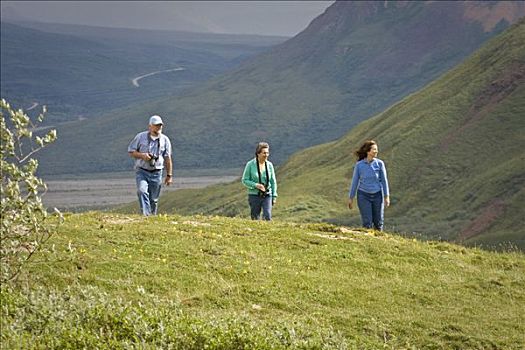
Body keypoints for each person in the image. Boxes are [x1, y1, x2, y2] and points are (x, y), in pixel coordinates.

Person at [128, 115, 173, 216]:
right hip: (142, 170)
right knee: (142, 191)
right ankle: (146, 215)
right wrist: (142, 156)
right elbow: (131, 151)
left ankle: (152, 216)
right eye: (156, 125)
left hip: (157, 172)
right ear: (150, 126)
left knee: (154, 199)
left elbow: (167, 158)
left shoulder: (165, 140)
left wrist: (169, 175)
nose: (158, 128)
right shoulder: (140, 137)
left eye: (160, 126)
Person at [348, 140, 390, 230]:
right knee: (367, 222)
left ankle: (379, 241)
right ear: (368, 151)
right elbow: (355, 182)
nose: (376, 151)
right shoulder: (359, 165)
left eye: (376, 149)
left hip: (378, 195)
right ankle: (368, 241)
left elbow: (384, 180)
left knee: (378, 222)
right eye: (374, 149)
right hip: (363, 195)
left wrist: (386, 196)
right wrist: (351, 198)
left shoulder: (380, 164)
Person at [242, 142, 278, 220]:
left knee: (267, 215)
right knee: (255, 217)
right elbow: (245, 180)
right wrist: (256, 185)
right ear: (258, 153)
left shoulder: (269, 165)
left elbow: (273, 181)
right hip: (254, 195)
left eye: (267, 153)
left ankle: (268, 231)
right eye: (264, 153)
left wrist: (274, 196)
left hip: (267, 194)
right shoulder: (250, 165)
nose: (266, 155)